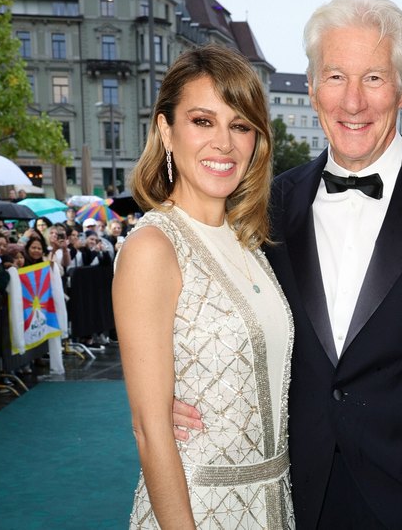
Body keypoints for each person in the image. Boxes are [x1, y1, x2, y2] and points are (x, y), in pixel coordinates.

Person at [174, 0, 402, 529]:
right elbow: (220, 321)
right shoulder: (269, 202)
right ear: (314, 86)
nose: (352, 102)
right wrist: (175, 394)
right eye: (336, 76)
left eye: (373, 77)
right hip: (292, 496)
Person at [113, 44, 293, 528]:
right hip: (195, 510)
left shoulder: (249, 244)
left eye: (240, 125)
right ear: (166, 131)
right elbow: (151, 431)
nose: (225, 143)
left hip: (272, 504)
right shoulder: (153, 246)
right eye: (202, 121)